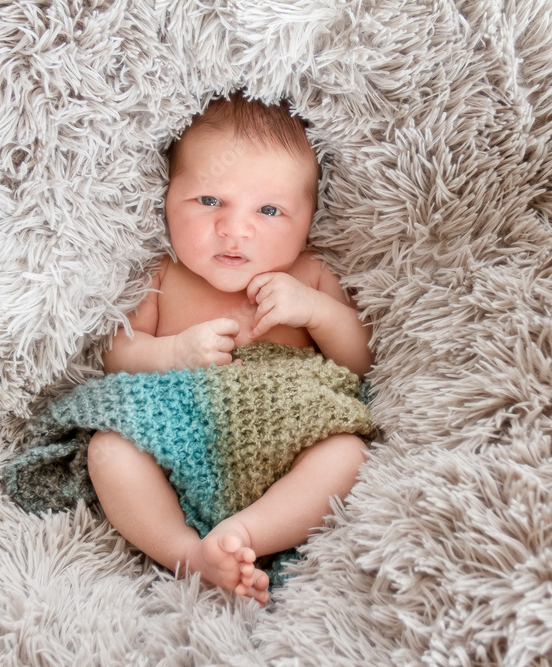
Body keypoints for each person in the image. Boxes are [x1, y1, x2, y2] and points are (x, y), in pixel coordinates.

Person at [86, 93, 373, 605]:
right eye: (209, 200)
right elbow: (117, 355)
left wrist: (317, 312)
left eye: (269, 210)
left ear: (308, 220)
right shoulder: (165, 275)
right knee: (108, 450)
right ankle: (187, 553)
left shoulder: (310, 273)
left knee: (347, 454)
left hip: (289, 443)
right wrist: (172, 353)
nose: (235, 229)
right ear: (168, 197)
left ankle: (247, 533)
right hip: (177, 438)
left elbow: (361, 362)